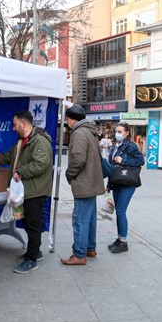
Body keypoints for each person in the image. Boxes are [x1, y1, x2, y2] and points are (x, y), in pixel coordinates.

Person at [0, 110, 53, 273]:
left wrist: (21, 172)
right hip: (25, 191)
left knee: (33, 225)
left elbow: (41, 163)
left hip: (35, 191)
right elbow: (10, 157)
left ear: (23, 123)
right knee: (29, 224)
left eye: (15, 125)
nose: (13, 128)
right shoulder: (22, 141)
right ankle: (34, 251)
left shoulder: (39, 141)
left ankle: (31, 259)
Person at [62, 104, 105, 265]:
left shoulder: (79, 133)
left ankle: (79, 254)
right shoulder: (89, 131)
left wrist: (69, 174)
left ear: (72, 119)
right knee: (91, 218)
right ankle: (90, 248)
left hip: (84, 183)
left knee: (79, 218)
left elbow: (78, 159)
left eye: (67, 119)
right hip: (92, 181)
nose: (67, 122)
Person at [106, 122, 145, 253]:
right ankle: (119, 238)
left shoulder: (131, 146)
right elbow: (112, 167)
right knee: (118, 211)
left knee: (121, 211)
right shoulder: (114, 146)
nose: (117, 134)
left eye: (120, 131)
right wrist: (108, 185)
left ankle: (123, 242)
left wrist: (123, 161)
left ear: (127, 133)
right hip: (117, 181)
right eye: (116, 131)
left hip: (127, 182)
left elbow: (140, 161)